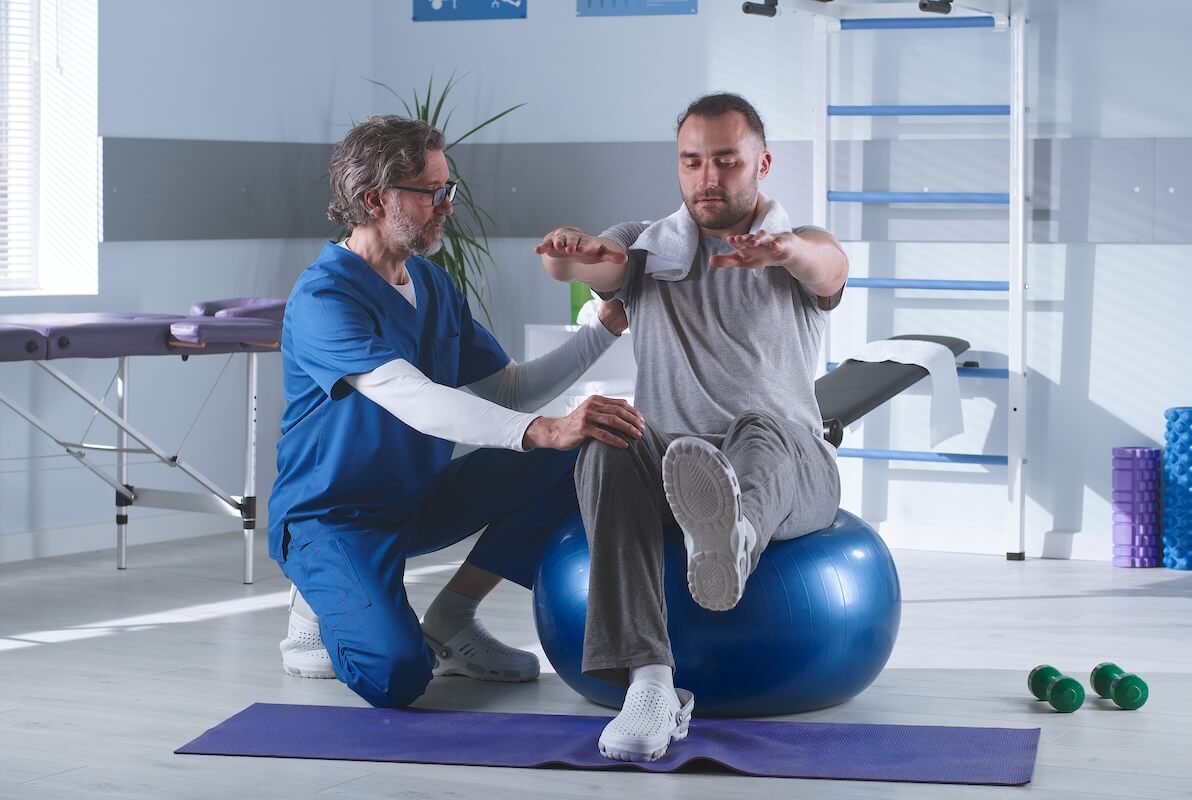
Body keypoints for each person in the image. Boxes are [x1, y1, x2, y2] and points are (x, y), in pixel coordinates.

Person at [269, 115, 644, 709]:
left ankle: (453, 617)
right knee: (396, 676)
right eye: (431, 192)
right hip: (333, 518)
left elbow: (511, 391)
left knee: (576, 455)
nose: (447, 205)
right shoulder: (324, 296)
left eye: (450, 189)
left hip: (417, 500)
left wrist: (601, 331)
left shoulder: (433, 286)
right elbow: (413, 399)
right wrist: (543, 429)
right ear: (374, 200)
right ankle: (315, 603)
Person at [536, 93, 849, 761]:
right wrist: (570, 253)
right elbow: (594, 265)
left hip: (788, 463)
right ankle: (651, 684)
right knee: (606, 431)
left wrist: (786, 250)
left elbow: (828, 265)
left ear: (763, 164)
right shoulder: (644, 247)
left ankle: (733, 536)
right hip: (676, 466)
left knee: (759, 423)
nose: (708, 178)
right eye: (693, 162)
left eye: (727, 161)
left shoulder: (797, 245)